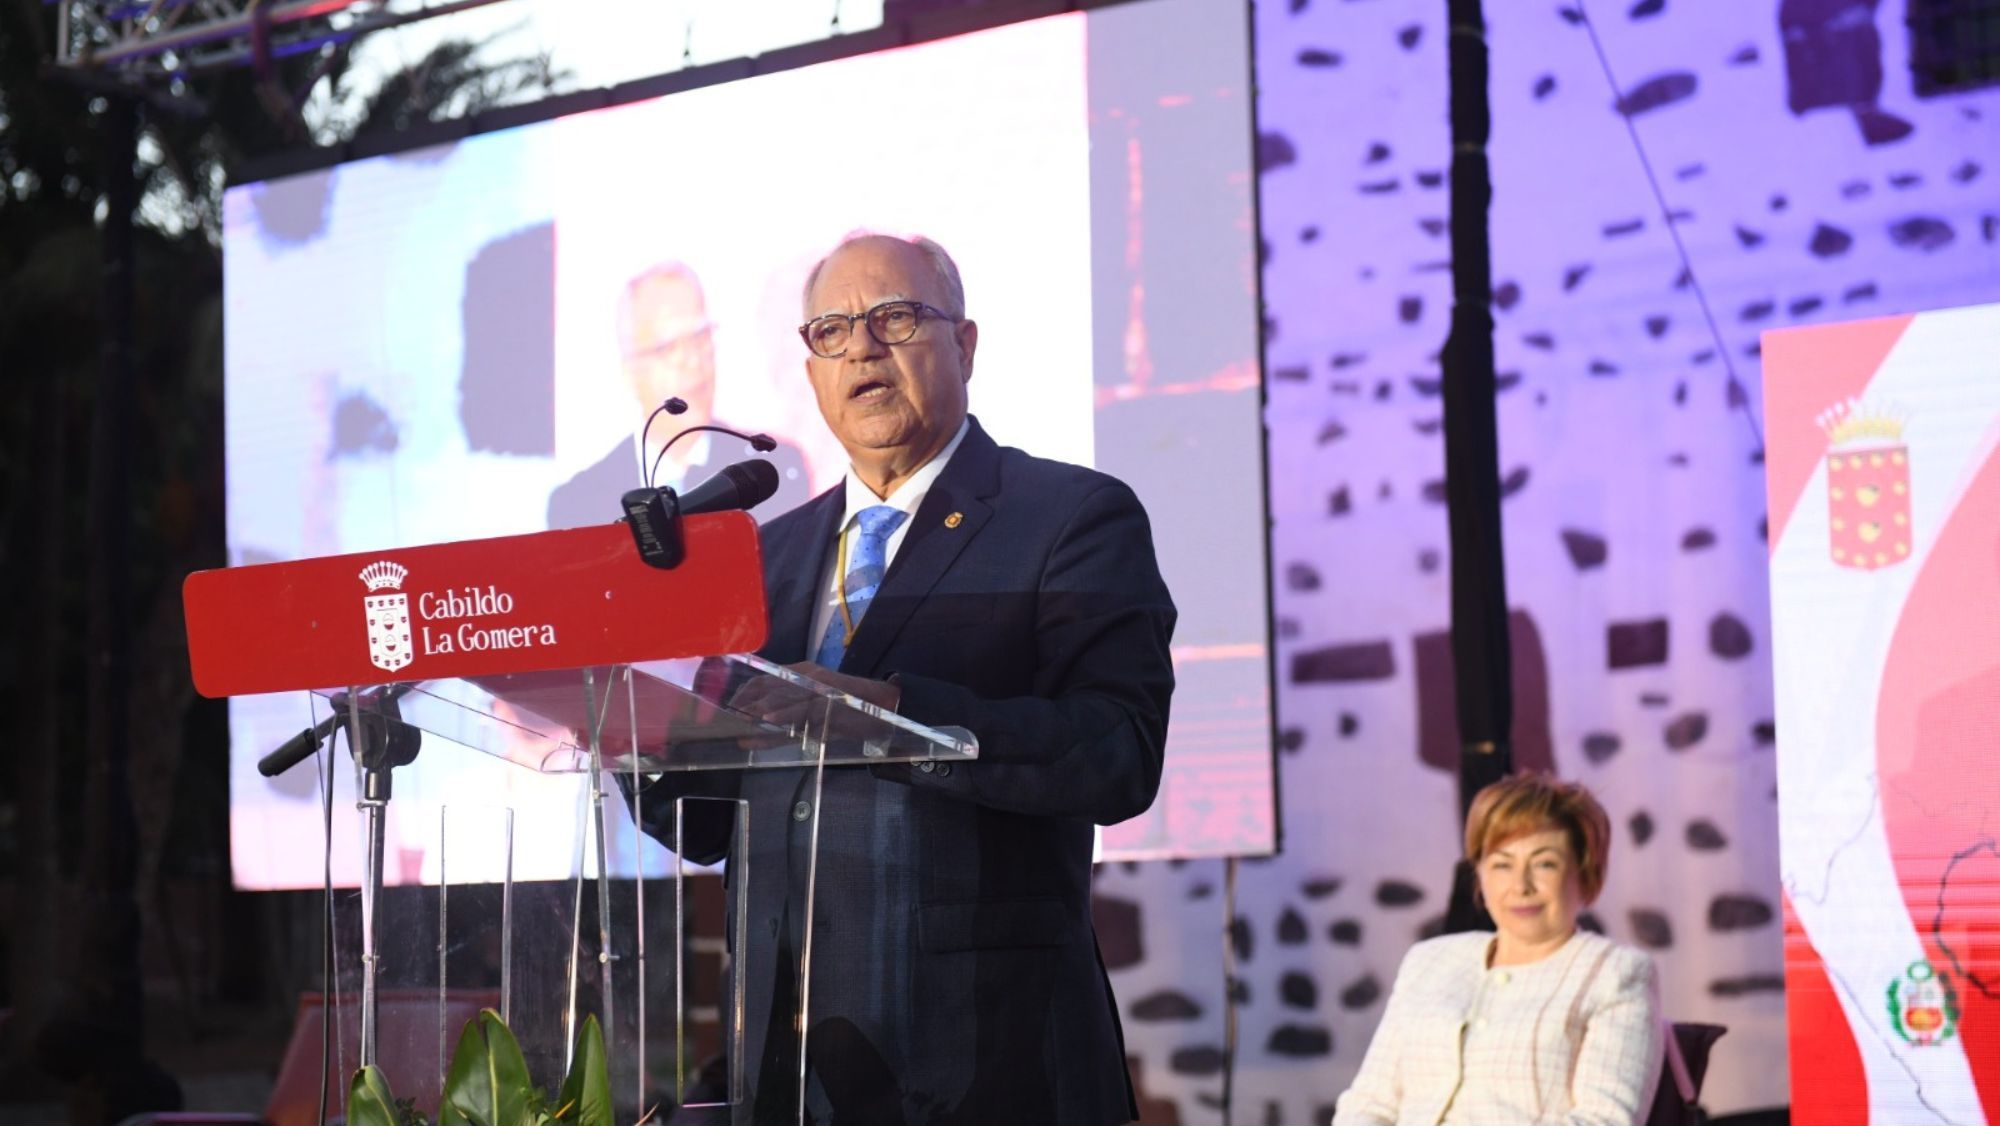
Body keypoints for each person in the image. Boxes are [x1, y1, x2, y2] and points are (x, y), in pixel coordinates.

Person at [630, 232, 1177, 1124]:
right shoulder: (764, 556)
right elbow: (699, 824)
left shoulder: (1071, 517)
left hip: (992, 1054)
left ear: (963, 345)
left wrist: (898, 713)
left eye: (893, 317)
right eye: (831, 331)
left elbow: (1116, 753)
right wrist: (639, 727)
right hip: (792, 1056)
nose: (862, 348)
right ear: (810, 371)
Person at [1334, 775, 1663, 1125]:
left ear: (1585, 873)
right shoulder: (1427, 961)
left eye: (1544, 863)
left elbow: (1604, 1120)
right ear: (1480, 874)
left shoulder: (1616, 973)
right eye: (1502, 864)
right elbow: (1369, 1104)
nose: (1520, 886)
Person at [545, 261, 810, 529]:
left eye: (700, 337)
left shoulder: (766, 472)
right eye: (668, 348)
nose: (693, 361)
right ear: (630, 371)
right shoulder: (576, 502)